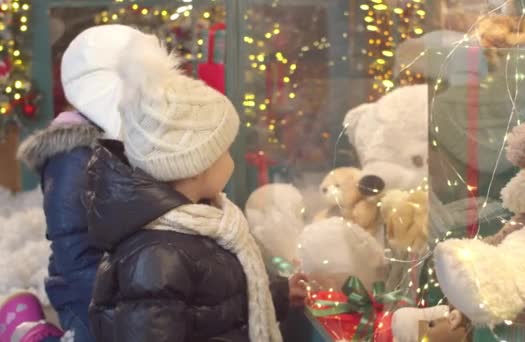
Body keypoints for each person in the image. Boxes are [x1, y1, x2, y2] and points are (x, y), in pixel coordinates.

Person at [85, 31, 307, 342]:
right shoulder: (157, 254)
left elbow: (214, 301)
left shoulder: (202, 223)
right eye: (224, 149)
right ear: (195, 165)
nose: (232, 158)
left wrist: (278, 293)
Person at [5, 25, 149, 342]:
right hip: (85, 291)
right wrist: (108, 305)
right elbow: (74, 247)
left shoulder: (132, 139)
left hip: (131, 284)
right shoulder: (71, 156)